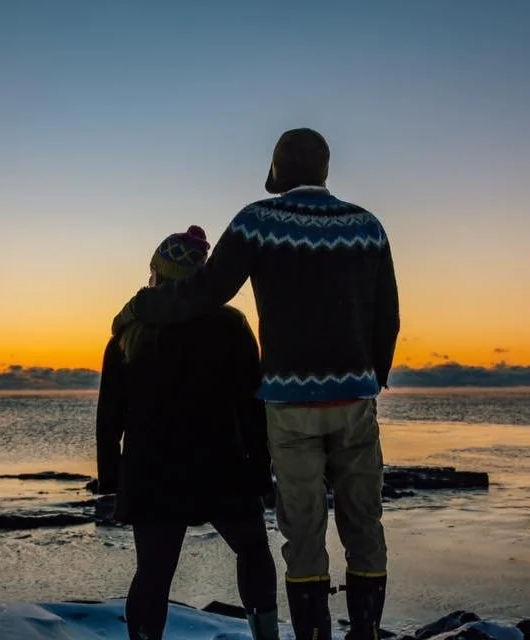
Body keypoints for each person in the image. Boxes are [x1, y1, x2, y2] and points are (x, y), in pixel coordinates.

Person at [111, 129, 400, 640]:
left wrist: (140, 307)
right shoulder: (368, 227)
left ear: (277, 170)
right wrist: (369, 378)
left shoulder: (257, 221)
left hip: (290, 405)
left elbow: (204, 292)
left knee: (304, 531)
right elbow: (388, 320)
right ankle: (367, 632)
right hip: (355, 400)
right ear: (325, 170)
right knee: (363, 524)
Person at [96, 225, 280, 640]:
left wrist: (112, 480)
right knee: (253, 552)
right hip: (221, 465)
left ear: (158, 276)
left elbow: (109, 418)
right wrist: (261, 470)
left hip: (152, 470)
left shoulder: (126, 337)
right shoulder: (230, 325)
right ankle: (267, 635)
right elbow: (253, 406)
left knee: (153, 574)